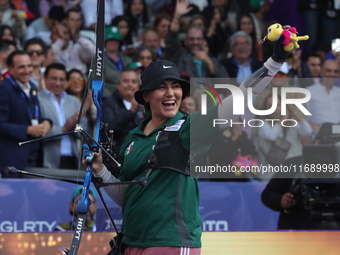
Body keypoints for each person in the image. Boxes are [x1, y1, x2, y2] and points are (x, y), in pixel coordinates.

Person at [85, 9, 289, 252]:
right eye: (162, 87)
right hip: (132, 243)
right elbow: (127, 197)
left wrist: (273, 63)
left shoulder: (189, 127)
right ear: (146, 96)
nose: (172, 93)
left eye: (176, 87)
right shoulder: (133, 137)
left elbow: (240, 98)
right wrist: (100, 170)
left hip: (171, 242)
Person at [0, 50, 51, 178]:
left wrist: (46, 122)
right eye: (21, 67)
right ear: (10, 69)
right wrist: (27, 130)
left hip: (33, 156)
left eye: (29, 66)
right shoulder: (4, 89)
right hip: (12, 160)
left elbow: (31, 117)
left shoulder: (32, 86)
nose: (27, 70)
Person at [38, 63, 81, 169]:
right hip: (46, 163)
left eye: (62, 79)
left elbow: (84, 132)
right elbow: (37, 133)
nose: (58, 83)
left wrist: (76, 127)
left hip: (72, 162)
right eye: (54, 78)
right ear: (45, 78)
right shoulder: (37, 99)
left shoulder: (73, 101)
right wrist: (65, 128)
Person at [102, 69, 143, 177]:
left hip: (139, 163)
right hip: (115, 164)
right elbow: (109, 129)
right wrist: (131, 112)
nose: (130, 84)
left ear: (139, 85)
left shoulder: (146, 106)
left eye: (134, 82)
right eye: (126, 81)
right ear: (118, 85)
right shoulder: (108, 104)